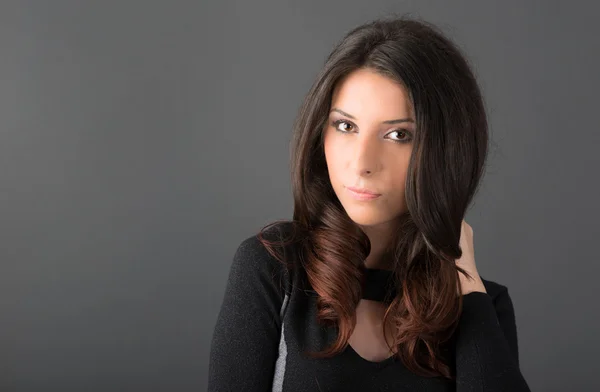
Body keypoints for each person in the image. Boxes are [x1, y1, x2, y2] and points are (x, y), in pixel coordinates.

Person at [207, 14, 531, 391]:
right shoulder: (275, 269)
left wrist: (465, 279)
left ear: (447, 152)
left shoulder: (480, 305)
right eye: (345, 126)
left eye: (398, 134)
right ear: (320, 133)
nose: (361, 163)